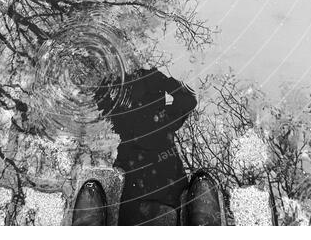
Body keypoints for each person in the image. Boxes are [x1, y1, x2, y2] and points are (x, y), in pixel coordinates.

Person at [71, 67, 222, 225]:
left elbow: (188, 101)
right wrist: (166, 93)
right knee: (156, 204)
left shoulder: (143, 102)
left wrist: (163, 89)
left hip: (146, 167)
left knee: (131, 205)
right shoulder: (150, 98)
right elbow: (188, 100)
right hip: (159, 170)